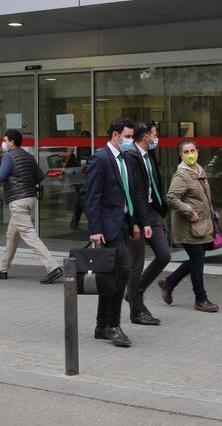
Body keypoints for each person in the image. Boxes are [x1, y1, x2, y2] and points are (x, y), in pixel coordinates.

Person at [84, 116, 151, 347]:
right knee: (123, 270)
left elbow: (132, 195)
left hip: (124, 223)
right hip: (108, 227)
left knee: (113, 275)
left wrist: (138, 223)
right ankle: (112, 325)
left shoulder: (126, 160)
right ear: (115, 136)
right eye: (128, 137)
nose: (130, 141)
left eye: (132, 137)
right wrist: (95, 229)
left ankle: (102, 325)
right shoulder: (100, 159)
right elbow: (92, 198)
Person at [0, 129, 62, 284]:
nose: (3, 143)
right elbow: (40, 176)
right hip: (29, 199)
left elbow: (1, 176)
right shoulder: (29, 157)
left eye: (5, 140)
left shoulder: (9, 156)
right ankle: (2, 269)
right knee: (12, 236)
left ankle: (53, 268)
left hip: (18, 201)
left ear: (11, 142)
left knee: (30, 236)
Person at [159, 140, 220, 313]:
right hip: (189, 226)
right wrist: (189, 211)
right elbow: (171, 198)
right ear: (180, 155)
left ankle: (169, 282)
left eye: (193, 150)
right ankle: (201, 299)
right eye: (186, 152)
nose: (190, 154)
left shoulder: (199, 170)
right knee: (197, 261)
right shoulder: (182, 175)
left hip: (202, 225)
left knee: (196, 259)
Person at [124, 121, 171, 326]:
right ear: (146, 137)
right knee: (137, 263)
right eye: (154, 134)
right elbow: (132, 192)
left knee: (164, 254)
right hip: (136, 215)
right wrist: (135, 222)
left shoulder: (149, 155)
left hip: (151, 211)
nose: (156, 137)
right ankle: (136, 310)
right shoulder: (131, 156)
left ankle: (134, 292)